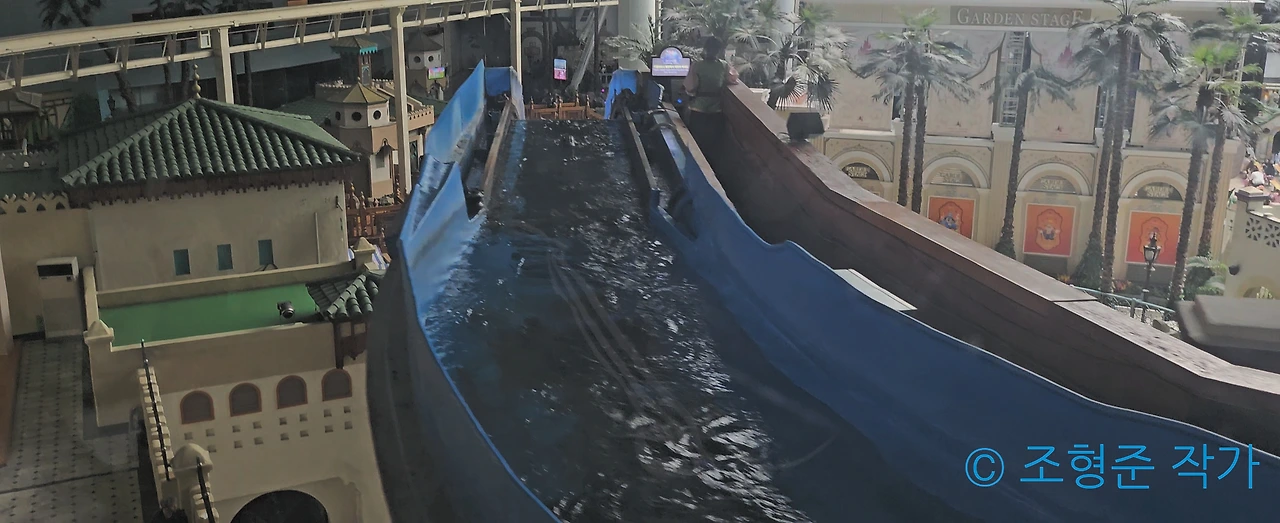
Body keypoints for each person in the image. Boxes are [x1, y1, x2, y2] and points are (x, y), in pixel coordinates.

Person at [682, 37, 739, 155]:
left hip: (698, 109)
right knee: (713, 145)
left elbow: (690, 86)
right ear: (719, 51)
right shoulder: (723, 66)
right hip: (716, 110)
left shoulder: (697, 65)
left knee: (696, 143)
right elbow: (732, 79)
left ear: (705, 49)